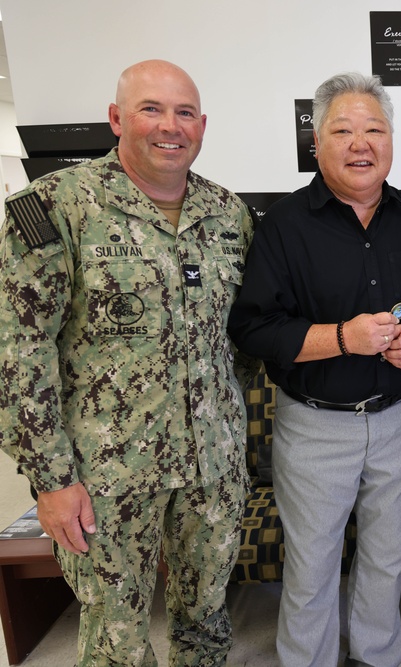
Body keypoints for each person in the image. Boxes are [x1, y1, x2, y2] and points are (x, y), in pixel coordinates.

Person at [0, 60, 257, 665]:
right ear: (116, 118)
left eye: (184, 112)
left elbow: (245, 336)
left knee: (206, 619)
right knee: (116, 634)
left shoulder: (229, 215)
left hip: (211, 467)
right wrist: (52, 478)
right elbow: (18, 353)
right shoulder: (55, 207)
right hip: (104, 472)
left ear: (202, 126)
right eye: (151, 109)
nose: (170, 126)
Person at [227, 72, 401, 667]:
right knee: (311, 564)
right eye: (344, 130)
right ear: (315, 141)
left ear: (391, 141)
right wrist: (341, 338)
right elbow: (254, 328)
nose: (362, 143)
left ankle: (376, 656)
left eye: (374, 130)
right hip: (315, 426)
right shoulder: (283, 226)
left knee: (386, 559)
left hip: (400, 419)